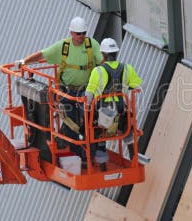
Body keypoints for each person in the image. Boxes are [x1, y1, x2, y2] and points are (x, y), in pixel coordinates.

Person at [18, 16, 103, 156]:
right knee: (70, 121)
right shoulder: (63, 47)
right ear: (71, 33)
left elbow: (103, 63)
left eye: (83, 33)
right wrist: (24, 61)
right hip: (67, 91)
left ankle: (93, 150)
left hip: (86, 90)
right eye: (78, 33)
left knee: (90, 118)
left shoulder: (91, 45)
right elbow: (42, 54)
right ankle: (78, 153)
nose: (81, 36)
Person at [84, 38, 142, 169]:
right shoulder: (127, 69)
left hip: (103, 115)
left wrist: (87, 110)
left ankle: (102, 165)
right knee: (128, 127)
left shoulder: (97, 71)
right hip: (121, 112)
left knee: (97, 133)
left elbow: (88, 95)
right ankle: (134, 155)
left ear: (103, 54)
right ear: (116, 53)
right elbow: (137, 87)